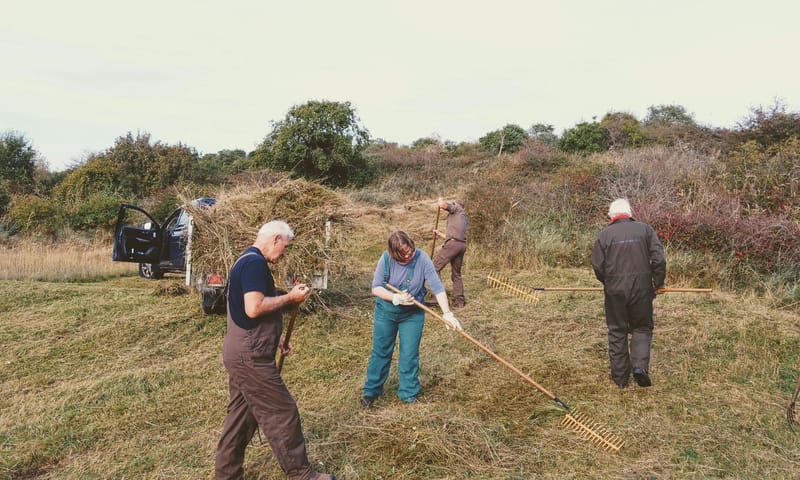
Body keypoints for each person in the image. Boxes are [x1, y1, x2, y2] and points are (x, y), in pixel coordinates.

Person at [214, 221, 334, 480]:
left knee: (241, 418)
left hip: (241, 349)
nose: (284, 253)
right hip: (250, 357)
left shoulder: (244, 260)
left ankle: (226, 474)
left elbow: (244, 312)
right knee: (282, 412)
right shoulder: (255, 263)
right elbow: (254, 308)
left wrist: (274, 339)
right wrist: (290, 298)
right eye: (285, 247)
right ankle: (301, 475)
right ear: (276, 238)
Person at [361, 230, 463, 407]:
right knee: (381, 351)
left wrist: (447, 313)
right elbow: (376, 288)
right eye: (403, 254)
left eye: (410, 251)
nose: (408, 255)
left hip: (412, 315)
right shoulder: (386, 259)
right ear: (394, 254)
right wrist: (395, 298)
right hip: (386, 313)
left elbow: (437, 287)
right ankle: (371, 392)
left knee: (409, 354)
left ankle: (408, 394)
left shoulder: (422, 259)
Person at [590, 199, 666, 389]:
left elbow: (597, 266)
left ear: (612, 216)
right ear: (629, 213)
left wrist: (608, 283)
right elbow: (659, 260)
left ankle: (620, 379)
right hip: (642, 289)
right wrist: (658, 283)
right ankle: (639, 367)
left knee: (617, 330)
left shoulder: (604, 235)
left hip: (615, 291)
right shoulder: (646, 230)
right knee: (642, 327)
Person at [432, 197, 468, 308]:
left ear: (457, 204)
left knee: (434, 268)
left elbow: (444, 206)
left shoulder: (456, 208)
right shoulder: (462, 217)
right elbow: (453, 237)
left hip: (453, 245)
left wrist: (440, 201)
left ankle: (438, 297)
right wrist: (439, 234)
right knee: (456, 274)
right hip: (461, 245)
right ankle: (459, 302)